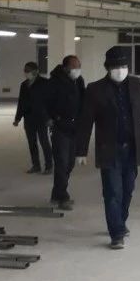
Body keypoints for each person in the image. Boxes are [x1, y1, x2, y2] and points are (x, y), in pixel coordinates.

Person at [74, 46, 140, 249]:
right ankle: (116, 233)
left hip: (133, 148)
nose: (120, 71)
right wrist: (81, 150)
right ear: (107, 68)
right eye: (116, 67)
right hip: (110, 148)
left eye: (124, 66)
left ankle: (121, 222)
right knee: (112, 192)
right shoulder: (95, 89)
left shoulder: (138, 85)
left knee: (128, 189)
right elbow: (86, 122)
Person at [47, 55, 86, 211]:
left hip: (74, 127)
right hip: (60, 126)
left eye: (79, 66)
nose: (77, 69)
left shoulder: (79, 80)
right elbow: (44, 103)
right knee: (62, 163)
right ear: (65, 68)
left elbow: (83, 100)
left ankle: (56, 194)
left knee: (69, 163)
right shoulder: (54, 82)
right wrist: (49, 118)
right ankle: (63, 197)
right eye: (74, 67)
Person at [14, 61, 53, 175]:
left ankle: (49, 166)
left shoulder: (45, 83)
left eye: (28, 70)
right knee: (32, 143)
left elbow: (50, 102)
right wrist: (17, 118)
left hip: (42, 118)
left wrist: (50, 117)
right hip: (29, 118)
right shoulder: (24, 85)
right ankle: (36, 165)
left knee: (44, 142)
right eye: (25, 70)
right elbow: (21, 103)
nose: (26, 73)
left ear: (35, 71)